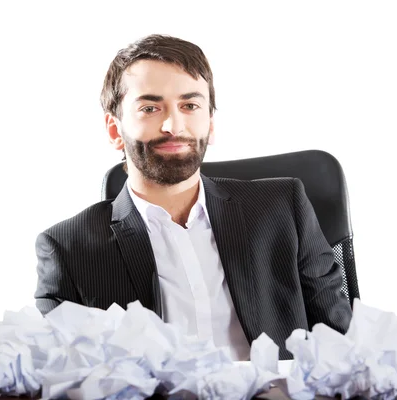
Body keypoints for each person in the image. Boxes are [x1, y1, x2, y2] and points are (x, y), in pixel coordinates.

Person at [34, 34, 352, 360]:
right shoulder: (68, 249)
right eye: (150, 108)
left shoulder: (284, 208)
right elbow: (66, 378)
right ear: (116, 131)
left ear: (210, 124)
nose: (174, 125)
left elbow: (343, 347)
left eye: (189, 105)